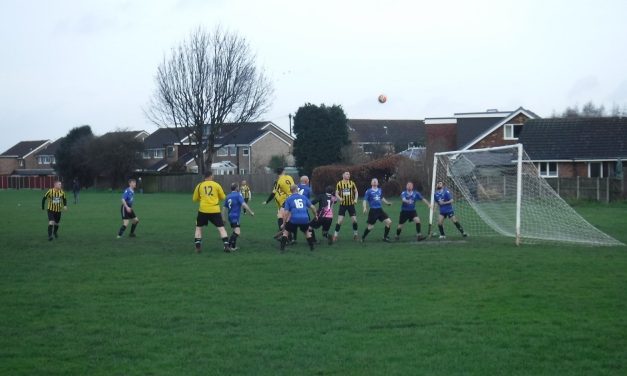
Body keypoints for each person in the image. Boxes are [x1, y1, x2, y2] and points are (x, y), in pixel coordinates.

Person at [193, 171, 230, 253]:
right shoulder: (216, 185)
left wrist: (203, 199)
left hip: (203, 209)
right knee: (221, 228)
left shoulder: (199, 186)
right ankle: (226, 246)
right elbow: (223, 197)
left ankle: (198, 248)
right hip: (215, 210)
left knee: (198, 228)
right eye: (213, 175)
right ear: (210, 176)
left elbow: (195, 199)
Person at [280, 184, 317, 251]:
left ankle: (282, 249)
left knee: (286, 232)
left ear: (290, 191)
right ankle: (312, 248)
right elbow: (313, 207)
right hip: (305, 219)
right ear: (297, 190)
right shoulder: (304, 197)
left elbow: (285, 213)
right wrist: (316, 216)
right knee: (306, 232)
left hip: (294, 219)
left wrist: (283, 223)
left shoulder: (288, 199)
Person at [263, 167, 295, 240]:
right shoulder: (289, 177)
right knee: (287, 218)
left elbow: (273, 193)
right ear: (283, 171)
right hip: (294, 197)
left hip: (288, 200)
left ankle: (284, 235)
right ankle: (289, 237)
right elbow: (293, 187)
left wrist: (267, 201)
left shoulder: (279, 181)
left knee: (281, 217)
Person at [223, 183, 255, 251]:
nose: (239, 188)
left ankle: (233, 247)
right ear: (236, 188)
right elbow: (244, 204)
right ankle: (227, 245)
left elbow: (224, 208)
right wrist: (251, 212)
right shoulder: (238, 195)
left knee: (235, 230)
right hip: (235, 216)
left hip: (230, 216)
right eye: (238, 187)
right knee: (237, 232)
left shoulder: (228, 196)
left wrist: (223, 218)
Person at [362, 178, 393, 242]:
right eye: (373, 181)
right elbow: (364, 200)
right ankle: (363, 237)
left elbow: (381, 198)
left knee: (389, 222)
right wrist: (365, 208)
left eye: (376, 181)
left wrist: (387, 203)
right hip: (373, 211)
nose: (374, 182)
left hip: (380, 210)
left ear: (378, 183)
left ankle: (384, 237)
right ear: (371, 183)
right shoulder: (368, 191)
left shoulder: (379, 190)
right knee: (370, 227)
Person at [332, 171, 359, 242]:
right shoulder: (339, 183)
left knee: (354, 220)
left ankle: (355, 235)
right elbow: (336, 193)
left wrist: (356, 199)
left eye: (349, 174)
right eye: (347, 174)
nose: (348, 175)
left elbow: (356, 192)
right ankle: (335, 235)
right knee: (340, 221)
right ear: (343, 175)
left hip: (351, 205)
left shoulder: (352, 183)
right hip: (343, 205)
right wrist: (339, 198)